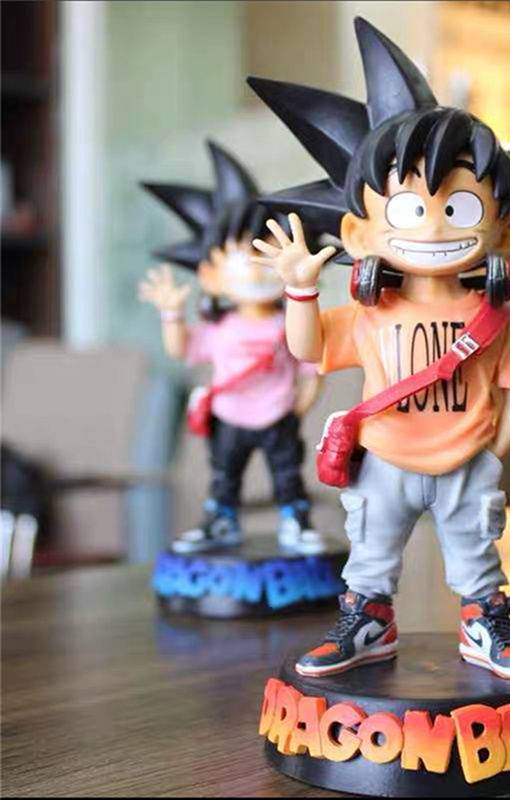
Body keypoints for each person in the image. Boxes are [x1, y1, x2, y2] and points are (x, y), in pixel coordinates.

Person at [246, 18, 510, 680]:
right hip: (385, 463)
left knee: (477, 559)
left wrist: (490, 454)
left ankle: (485, 624)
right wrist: (300, 291)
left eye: (460, 209)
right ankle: (368, 622)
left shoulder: (493, 317)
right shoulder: (373, 310)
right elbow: (308, 348)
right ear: (358, 233)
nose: (434, 227)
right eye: (407, 211)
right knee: (370, 556)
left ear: (507, 229)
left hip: (465, 464)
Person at [139, 141, 323, 555]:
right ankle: (221, 521)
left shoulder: (292, 322)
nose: (255, 272)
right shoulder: (218, 326)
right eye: (241, 259)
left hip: (278, 415)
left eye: (265, 259)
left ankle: (295, 521)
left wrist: (297, 408)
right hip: (229, 417)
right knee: (225, 475)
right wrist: (171, 314)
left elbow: (312, 367)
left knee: (286, 474)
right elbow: (182, 349)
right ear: (209, 274)